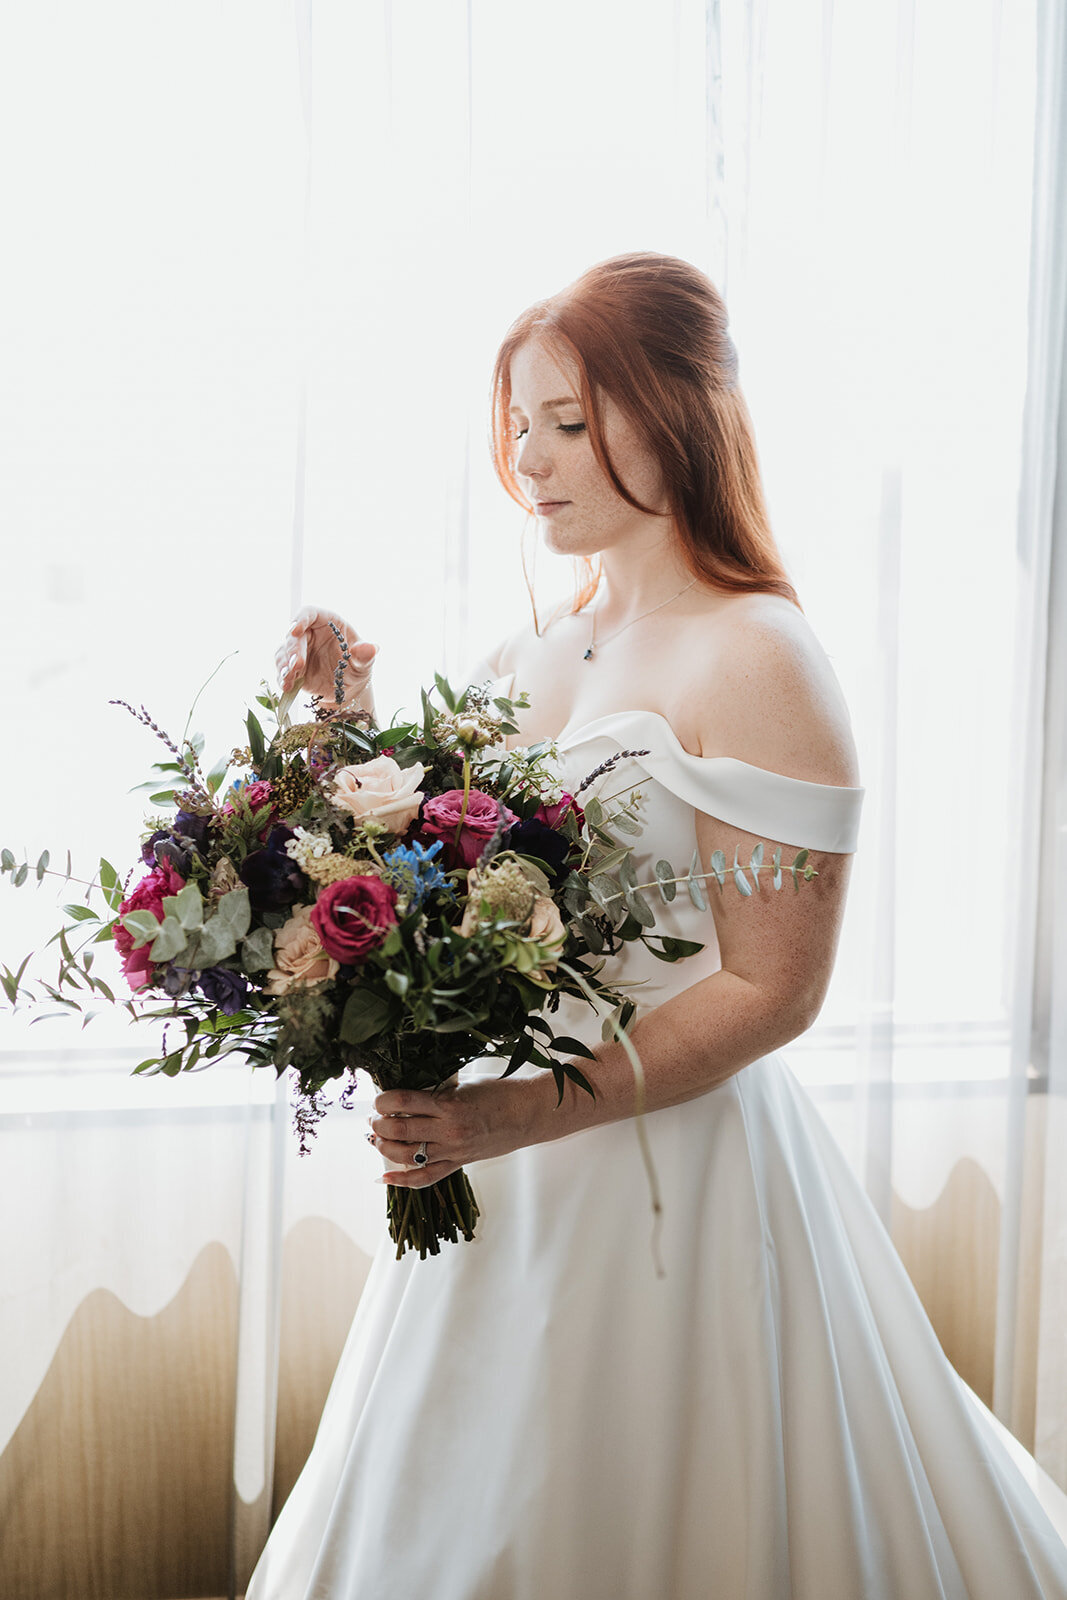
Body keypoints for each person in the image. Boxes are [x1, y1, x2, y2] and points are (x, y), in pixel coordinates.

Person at [247, 253, 1067, 1598]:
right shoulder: (530, 656)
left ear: (681, 414)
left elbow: (777, 991)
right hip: (498, 1179)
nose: (534, 457)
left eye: (571, 421)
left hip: (665, 1178)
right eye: (520, 424)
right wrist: (346, 721)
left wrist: (517, 1116)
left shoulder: (758, 655)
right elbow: (436, 897)